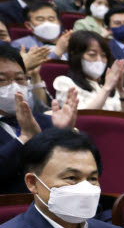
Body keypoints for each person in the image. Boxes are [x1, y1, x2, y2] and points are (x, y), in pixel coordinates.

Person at [0, 43, 78, 194]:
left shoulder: (48, 122)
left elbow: (91, 169)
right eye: (2, 79)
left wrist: (66, 134)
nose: (14, 86)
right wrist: (24, 139)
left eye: (20, 78)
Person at [54, 31, 124, 114]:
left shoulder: (108, 85)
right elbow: (84, 118)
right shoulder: (64, 82)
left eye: (103, 56)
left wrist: (121, 91)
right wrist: (107, 88)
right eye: (92, 55)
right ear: (75, 55)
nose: (99, 60)